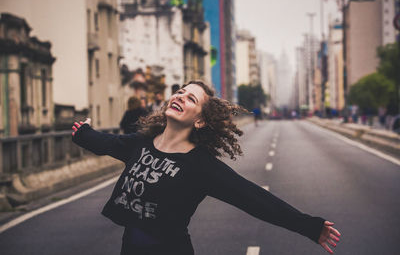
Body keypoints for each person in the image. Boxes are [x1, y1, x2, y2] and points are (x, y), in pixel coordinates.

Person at [72, 81, 341, 255]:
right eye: (179, 92)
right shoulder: (140, 143)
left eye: (190, 99)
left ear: (200, 121)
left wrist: (309, 226)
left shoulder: (200, 166)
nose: (180, 97)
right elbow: (105, 142)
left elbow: (255, 199)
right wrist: (82, 132)